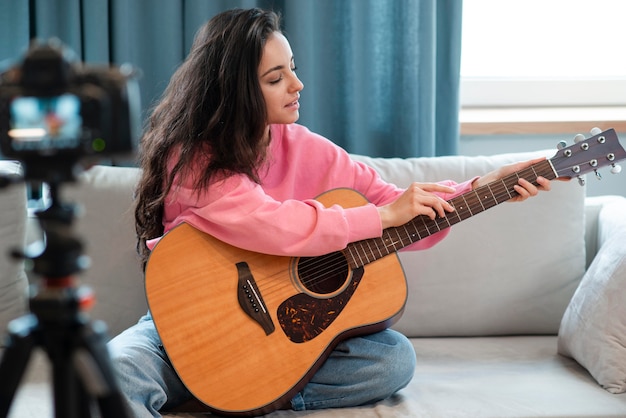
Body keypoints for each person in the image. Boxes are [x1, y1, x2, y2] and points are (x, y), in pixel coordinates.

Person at [107, 7, 552, 417]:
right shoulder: (192, 157)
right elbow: (268, 223)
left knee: (392, 360)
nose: (297, 86)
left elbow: (398, 204)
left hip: (273, 347)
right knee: (117, 370)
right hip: (187, 322)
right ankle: (225, 389)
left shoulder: (308, 149)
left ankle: (241, 393)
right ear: (237, 89)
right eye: (276, 78)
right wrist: (380, 218)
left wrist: (483, 188)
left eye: (293, 70)